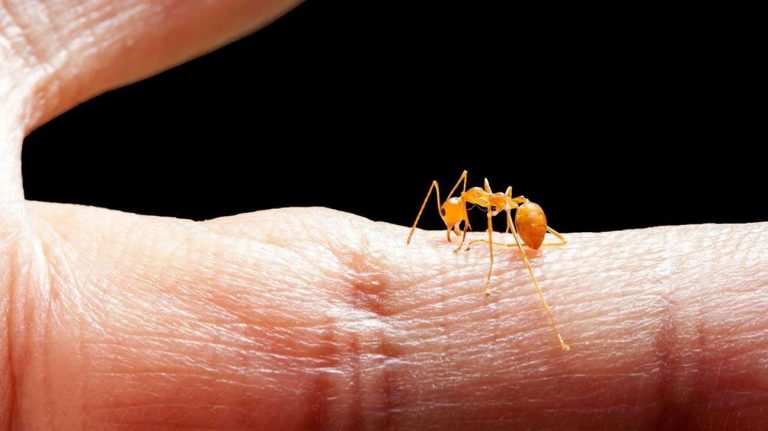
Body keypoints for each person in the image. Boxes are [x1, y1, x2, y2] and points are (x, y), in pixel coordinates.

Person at [1, 1, 766, 429]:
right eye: (455, 215)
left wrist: (503, 245)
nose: (455, 217)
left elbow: (496, 218)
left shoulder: (498, 213)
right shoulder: (475, 202)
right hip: (523, 212)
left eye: (457, 214)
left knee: (513, 241)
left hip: (527, 217)